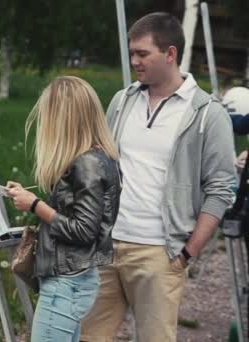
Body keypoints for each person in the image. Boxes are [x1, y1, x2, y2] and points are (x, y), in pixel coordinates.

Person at [80, 12, 236, 342]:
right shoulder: (122, 102)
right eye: (132, 53)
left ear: (170, 54)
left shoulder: (209, 114)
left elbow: (221, 189)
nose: (134, 61)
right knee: (87, 337)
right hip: (107, 246)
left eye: (142, 53)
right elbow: (103, 165)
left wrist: (187, 252)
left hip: (159, 253)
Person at [7, 76, 122, 342]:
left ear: (63, 118)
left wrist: (35, 205)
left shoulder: (87, 163)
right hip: (72, 280)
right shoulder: (96, 157)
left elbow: (83, 230)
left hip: (67, 283)